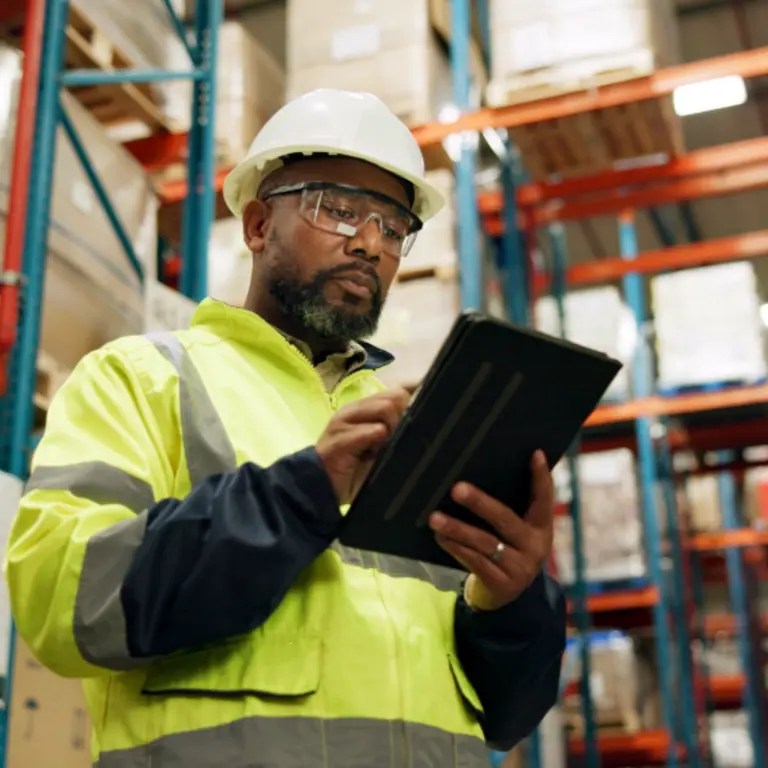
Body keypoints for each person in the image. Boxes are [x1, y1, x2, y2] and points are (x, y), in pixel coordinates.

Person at [7, 89, 565, 768]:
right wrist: (299, 493)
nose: (369, 243)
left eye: (393, 227)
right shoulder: (143, 378)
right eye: (338, 209)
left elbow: (504, 717)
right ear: (257, 225)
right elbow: (63, 603)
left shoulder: (419, 432)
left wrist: (512, 602)